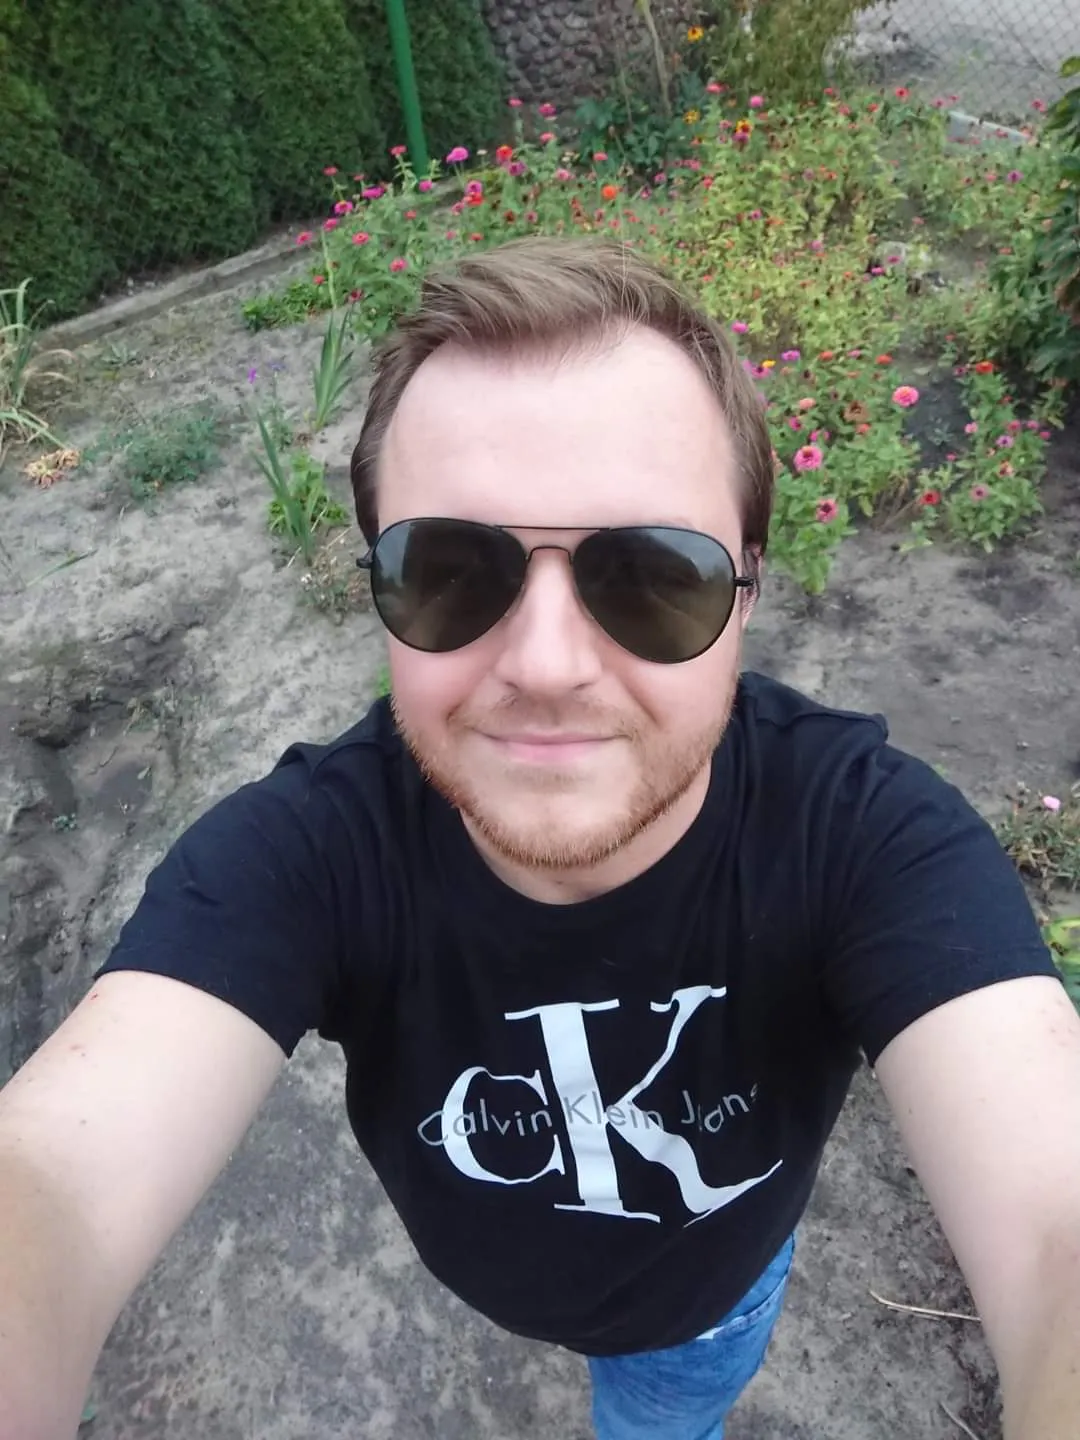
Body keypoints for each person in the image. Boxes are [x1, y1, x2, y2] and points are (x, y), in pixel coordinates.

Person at [1, 236, 1079, 1440]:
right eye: (451, 571)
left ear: (747, 593)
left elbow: (1057, 1224)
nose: (547, 666)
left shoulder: (867, 837)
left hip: (706, 1314)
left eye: (653, 574)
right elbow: (55, 1180)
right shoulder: (307, 854)